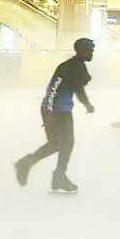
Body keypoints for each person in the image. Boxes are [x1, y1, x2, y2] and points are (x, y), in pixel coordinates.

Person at [14, 37, 95, 194]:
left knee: (63, 143)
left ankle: (54, 175)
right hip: (56, 110)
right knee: (61, 143)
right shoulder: (75, 67)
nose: (92, 53)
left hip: (54, 108)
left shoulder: (71, 65)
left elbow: (73, 87)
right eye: (90, 50)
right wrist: (87, 105)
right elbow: (79, 90)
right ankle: (32, 165)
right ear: (81, 51)